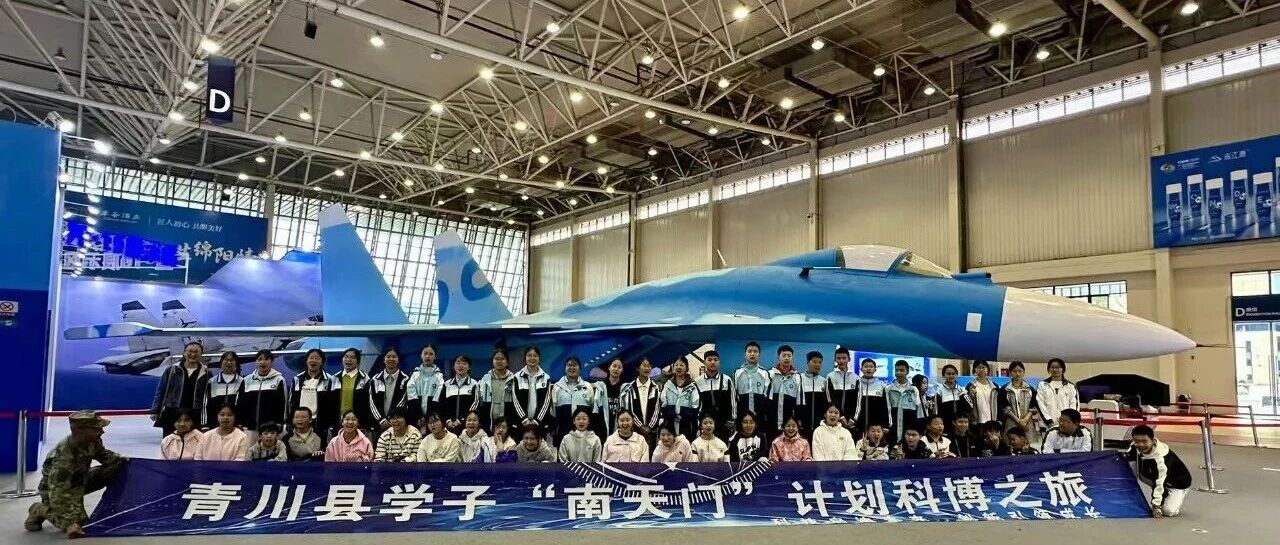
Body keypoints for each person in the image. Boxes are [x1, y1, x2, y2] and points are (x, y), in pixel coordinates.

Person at [25, 411, 125, 538]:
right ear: (82, 431)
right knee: (79, 524)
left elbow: (102, 454)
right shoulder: (63, 461)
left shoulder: (92, 441)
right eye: (96, 429)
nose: (102, 432)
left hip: (79, 479)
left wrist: (121, 460)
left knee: (114, 468)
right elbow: (59, 494)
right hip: (54, 489)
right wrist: (68, 524)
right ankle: (39, 509)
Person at [1126, 425, 1193, 517]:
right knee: (1129, 463)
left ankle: (1175, 494)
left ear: (1153, 441)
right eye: (1137, 441)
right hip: (1152, 476)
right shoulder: (1134, 447)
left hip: (1177, 484)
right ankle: (1129, 491)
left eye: (1144, 441)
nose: (1140, 444)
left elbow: (1159, 483)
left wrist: (1156, 506)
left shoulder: (1160, 460)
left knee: (1168, 511)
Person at [151, 341, 210, 437]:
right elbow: (161, 390)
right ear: (184, 352)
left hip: (195, 413)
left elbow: (207, 396)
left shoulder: (206, 373)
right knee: (171, 441)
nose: (193, 354)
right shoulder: (172, 370)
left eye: (196, 352)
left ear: (201, 354)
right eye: (190, 351)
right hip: (172, 411)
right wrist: (155, 410)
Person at [237, 349, 288, 441]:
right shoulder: (246, 380)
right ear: (256, 362)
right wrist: (240, 422)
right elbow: (240, 403)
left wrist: (280, 423)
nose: (262, 362)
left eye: (266, 359)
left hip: (269, 429)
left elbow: (283, 404)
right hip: (249, 428)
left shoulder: (279, 380)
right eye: (259, 359)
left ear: (271, 362)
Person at [290, 349, 337, 434]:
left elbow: (333, 403)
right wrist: (290, 420)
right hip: (300, 422)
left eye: (317, 358)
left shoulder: (329, 379)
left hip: (320, 423)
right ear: (306, 360)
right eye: (311, 358)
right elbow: (291, 402)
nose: (314, 360)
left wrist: (331, 423)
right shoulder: (297, 379)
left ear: (322, 362)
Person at [552, 356, 596, 444]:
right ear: (565, 368)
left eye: (575, 365)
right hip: (563, 433)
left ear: (580, 368)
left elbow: (592, 409)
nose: (572, 368)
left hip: (584, 434)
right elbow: (553, 412)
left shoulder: (587, 387)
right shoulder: (557, 387)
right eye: (569, 365)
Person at [513, 346, 554, 438]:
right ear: (525, 358)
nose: (532, 358)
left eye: (535, 356)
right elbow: (515, 400)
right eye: (529, 355)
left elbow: (546, 402)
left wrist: (536, 420)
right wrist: (524, 419)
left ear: (539, 358)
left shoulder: (546, 378)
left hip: (539, 423)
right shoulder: (517, 377)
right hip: (521, 423)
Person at [473, 347, 518, 431]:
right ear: (492, 361)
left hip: (507, 422)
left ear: (507, 362)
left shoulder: (514, 380)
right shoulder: (484, 380)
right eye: (496, 359)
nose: (499, 361)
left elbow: (516, 404)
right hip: (488, 423)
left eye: (502, 359)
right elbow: (479, 402)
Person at [369, 347, 411, 436]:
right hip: (379, 425)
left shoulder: (406, 379)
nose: (391, 359)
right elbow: (371, 402)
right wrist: (381, 420)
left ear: (398, 360)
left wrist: (391, 418)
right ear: (384, 360)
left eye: (394, 357)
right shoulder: (375, 379)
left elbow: (403, 401)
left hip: (397, 423)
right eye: (388, 356)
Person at [694, 350, 735, 440]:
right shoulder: (697, 382)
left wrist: (732, 420)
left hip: (723, 423)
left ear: (719, 362)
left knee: (722, 447)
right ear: (704, 362)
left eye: (715, 360)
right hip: (705, 423)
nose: (713, 362)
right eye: (709, 360)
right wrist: (698, 421)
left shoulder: (727, 380)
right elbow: (696, 404)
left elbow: (733, 401)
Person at [734, 341, 774, 432]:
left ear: (759, 355)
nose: (752, 354)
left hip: (760, 417)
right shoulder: (737, 373)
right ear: (745, 355)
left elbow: (768, 397)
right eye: (749, 351)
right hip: (742, 416)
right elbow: (734, 397)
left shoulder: (764, 373)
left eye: (755, 351)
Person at [620, 358, 661, 446]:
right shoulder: (630, 387)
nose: (647, 368)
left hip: (651, 431)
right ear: (638, 368)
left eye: (649, 366)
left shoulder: (655, 387)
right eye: (644, 366)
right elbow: (629, 409)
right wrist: (641, 426)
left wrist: (649, 427)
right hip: (635, 429)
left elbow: (657, 409)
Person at [660, 357, 701, 440]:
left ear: (687, 368)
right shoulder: (667, 384)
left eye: (681, 365)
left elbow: (696, 405)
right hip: (670, 424)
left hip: (687, 425)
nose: (678, 367)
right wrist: (672, 414)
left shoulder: (692, 386)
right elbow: (663, 403)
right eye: (676, 365)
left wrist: (683, 415)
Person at [1036, 358, 1079, 436]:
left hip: (1066, 427)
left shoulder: (1070, 386)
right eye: (1052, 367)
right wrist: (1049, 422)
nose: (1055, 369)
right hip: (1047, 426)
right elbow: (1040, 404)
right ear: (1049, 369)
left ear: (1063, 369)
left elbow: (1074, 404)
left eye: (1058, 367)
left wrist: (1068, 422)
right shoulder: (1042, 385)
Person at [334, 348, 373, 434]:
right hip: (339, 422)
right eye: (346, 357)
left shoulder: (365, 379)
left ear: (358, 361)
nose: (348, 360)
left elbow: (368, 404)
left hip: (358, 423)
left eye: (352, 357)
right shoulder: (335, 378)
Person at [405, 344, 444, 427]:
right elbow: (412, 397)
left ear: (435, 357)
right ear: (421, 355)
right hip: (415, 417)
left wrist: (427, 417)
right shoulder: (414, 375)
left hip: (432, 418)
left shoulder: (440, 376)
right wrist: (420, 416)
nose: (427, 356)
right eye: (425, 353)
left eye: (431, 354)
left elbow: (437, 399)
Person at [1002, 361, 1040, 444]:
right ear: (1010, 373)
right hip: (1011, 422)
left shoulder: (1030, 389)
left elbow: (1033, 406)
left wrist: (1025, 420)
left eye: (1020, 371)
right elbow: (1005, 407)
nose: (1017, 374)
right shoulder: (1004, 389)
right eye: (1014, 371)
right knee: (1011, 444)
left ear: (1024, 372)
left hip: (1027, 423)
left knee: (1026, 445)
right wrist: (1018, 421)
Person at [885, 360, 923, 443]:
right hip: (894, 425)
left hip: (909, 425)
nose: (899, 373)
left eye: (902, 370)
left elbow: (919, 410)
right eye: (897, 370)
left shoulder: (914, 389)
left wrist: (919, 427)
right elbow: (887, 408)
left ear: (907, 372)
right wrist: (889, 424)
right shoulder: (888, 389)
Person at [768, 345, 801, 435]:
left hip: (789, 425)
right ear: (778, 357)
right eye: (784, 355)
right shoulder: (770, 374)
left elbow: (799, 402)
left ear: (792, 358)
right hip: (771, 422)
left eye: (789, 356)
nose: (786, 358)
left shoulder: (797, 377)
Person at [204, 351, 242, 430]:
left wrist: (240, 423)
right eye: (226, 360)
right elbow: (206, 404)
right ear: (221, 363)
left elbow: (243, 406)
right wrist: (205, 424)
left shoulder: (242, 381)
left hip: (235, 426)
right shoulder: (212, 382)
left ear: (236, 363)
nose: (229, 362)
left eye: (232, 360)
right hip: (214, 425)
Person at [440, 355, 478, 434]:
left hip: (467, 426)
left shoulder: (474, 384)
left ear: (469, 367)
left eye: (464, 363)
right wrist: (448, 420)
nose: (461, 366)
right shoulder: (446, 384)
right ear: (453, 366)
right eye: (458, 363)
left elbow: (475, 405)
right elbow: (442, 405)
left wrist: (460, 420)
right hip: (449, 427)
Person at [593, 357, 628, 441]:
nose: (616, 369)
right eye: (614, 366)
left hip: (620, 428)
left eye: (619, 367)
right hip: (602, 427)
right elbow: (596, 408)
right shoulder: (601, 386)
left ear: (622, 370)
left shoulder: (625, 388)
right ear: (609, 367)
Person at [852, 359, 890, 435]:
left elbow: (886, 407)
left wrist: (886, 425)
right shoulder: (856, 384)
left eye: (871, 367)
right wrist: (853, 420)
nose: (868, 368)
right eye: (866, 366)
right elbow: (851, 404)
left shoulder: (882, 385)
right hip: (858, 426)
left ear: (875, 369)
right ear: (861, 369)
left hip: (876, 428)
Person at [797, 351, 829, 438]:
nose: (817, 365)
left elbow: (826, 403)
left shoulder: (824, 381)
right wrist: (798, 418)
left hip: (820, 426)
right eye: (814, 362)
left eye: (819, 362)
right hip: (802, 425)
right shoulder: (799, 379)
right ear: (808, 362)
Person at [934, 364, 973, 434]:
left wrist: (963, 397)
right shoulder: (939, 391)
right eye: (948, 374)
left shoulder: (962, 390)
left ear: (956, 375)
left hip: (961, 425)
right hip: (946, 425)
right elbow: (936, 412)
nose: (951, 376)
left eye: (953, 374)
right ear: (943, 375)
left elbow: (970, 407)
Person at [826, 347, 858, 427]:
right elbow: (829, 399)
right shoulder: (830, 376)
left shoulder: (856, 378)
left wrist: (853, 419)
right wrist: (841, 416)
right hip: (836, 418)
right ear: (835, 360)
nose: (841, 361)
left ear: (849, 359)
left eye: (844, 358)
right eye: (838, 358)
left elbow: (858, 401)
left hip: (851, 421)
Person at [967, 360, 1000, 426]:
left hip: (992, 420)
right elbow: (968, 404)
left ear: (987, 369)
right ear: (974, 370)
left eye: (983, 367)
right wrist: (971, 395)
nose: (981, 369)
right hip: (977, 421)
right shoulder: (970, 386)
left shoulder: (994, 386)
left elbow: (999, 403)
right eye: (978, 367)